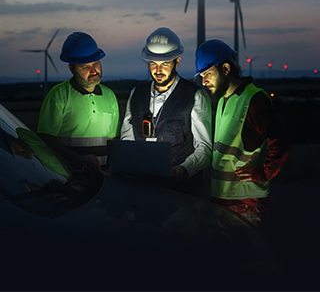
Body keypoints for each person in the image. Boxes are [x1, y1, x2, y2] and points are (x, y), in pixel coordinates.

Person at [195, 39, 291, 227]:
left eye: (207, 74)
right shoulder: (224, 99)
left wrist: (262, 173)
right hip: (223, 197)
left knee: (244, 254)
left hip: (245, 202)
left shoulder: (253, 99)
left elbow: (282, 139)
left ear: (225, 69)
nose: (203, 81)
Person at [121, 27, 212, 196]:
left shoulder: (195, 96)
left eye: (164, 64)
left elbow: (204, 148)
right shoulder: (136, 93)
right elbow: (127, 139)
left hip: (182, 194)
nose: (158, 70)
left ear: (177, 61)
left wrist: (184, 170)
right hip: (142, 190)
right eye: (153, 64)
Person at [37, 32, 119, 171]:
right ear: (72, 69)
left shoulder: (109, 96)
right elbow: (46, 138)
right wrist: (77, 159)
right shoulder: (58, 95)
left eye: (96, 63)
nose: (93, 71)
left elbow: (113, 141)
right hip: (69, 177)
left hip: (104, 178)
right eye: (85, 67)